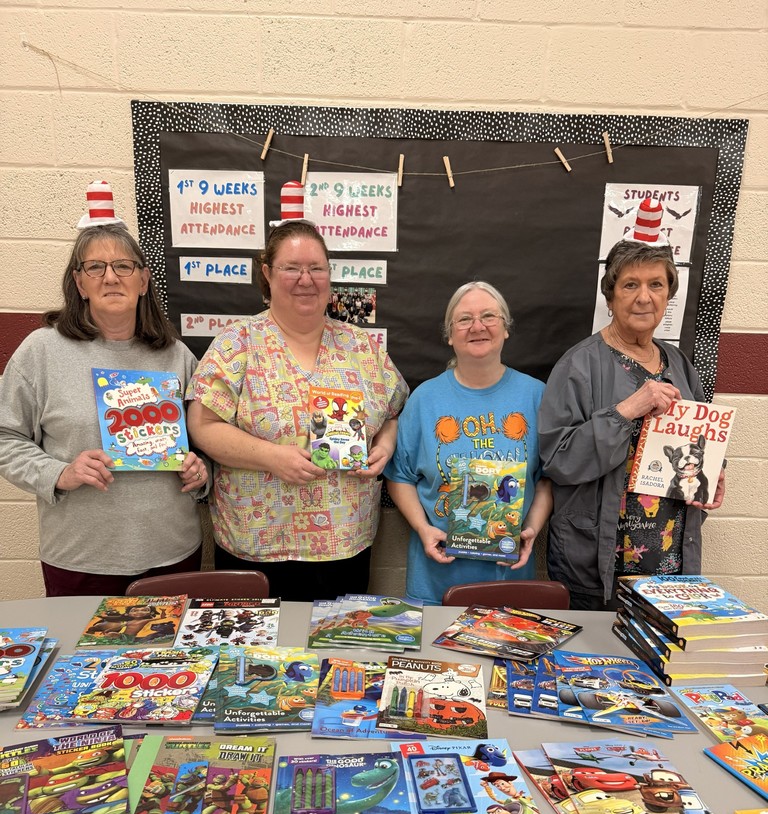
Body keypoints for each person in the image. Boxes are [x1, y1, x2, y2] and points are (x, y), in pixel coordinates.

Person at [186, 219, 408, 601]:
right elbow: (202, 424)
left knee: (334, 640)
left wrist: (385, 447)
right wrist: (271, 457)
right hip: (257, 547)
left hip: (345, 544)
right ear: (268, 274)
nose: (306, 280)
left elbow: (394, 412)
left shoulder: (361, 347)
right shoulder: (238, 343)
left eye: (316, 268)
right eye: (291, 268)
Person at [0, 221, 208, 597]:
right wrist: (59, 473)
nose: (110, 277)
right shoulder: (41, 351)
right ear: (80, 284)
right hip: (81, 559)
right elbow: (5, 438)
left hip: (172, 553)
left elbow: (207, 440)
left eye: (123, 266)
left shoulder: (176, 356)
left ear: (143, 281)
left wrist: (201, 470)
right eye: (96, 267)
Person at [538, 238, 726, 611]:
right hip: (597, 564)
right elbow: (559, 460)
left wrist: (714, 472)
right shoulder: (578, 365)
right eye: (630, 285)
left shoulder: (679, 364)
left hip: (670, 564)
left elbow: (700, 439)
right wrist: (626, 410)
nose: (644, 297)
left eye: (656, 284)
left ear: (668, 295)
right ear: (610, 298)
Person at [385, 281, 553, 605]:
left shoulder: (537, 396)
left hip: (509, 577)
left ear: (506, 328)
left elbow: (547, 476)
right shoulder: (425, 399)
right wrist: (422, 528)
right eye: (464, 319)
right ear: (450, 335)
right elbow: (399, 476)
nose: (477, 326)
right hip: (436, 580)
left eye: (489, 316)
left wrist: (533, 527)